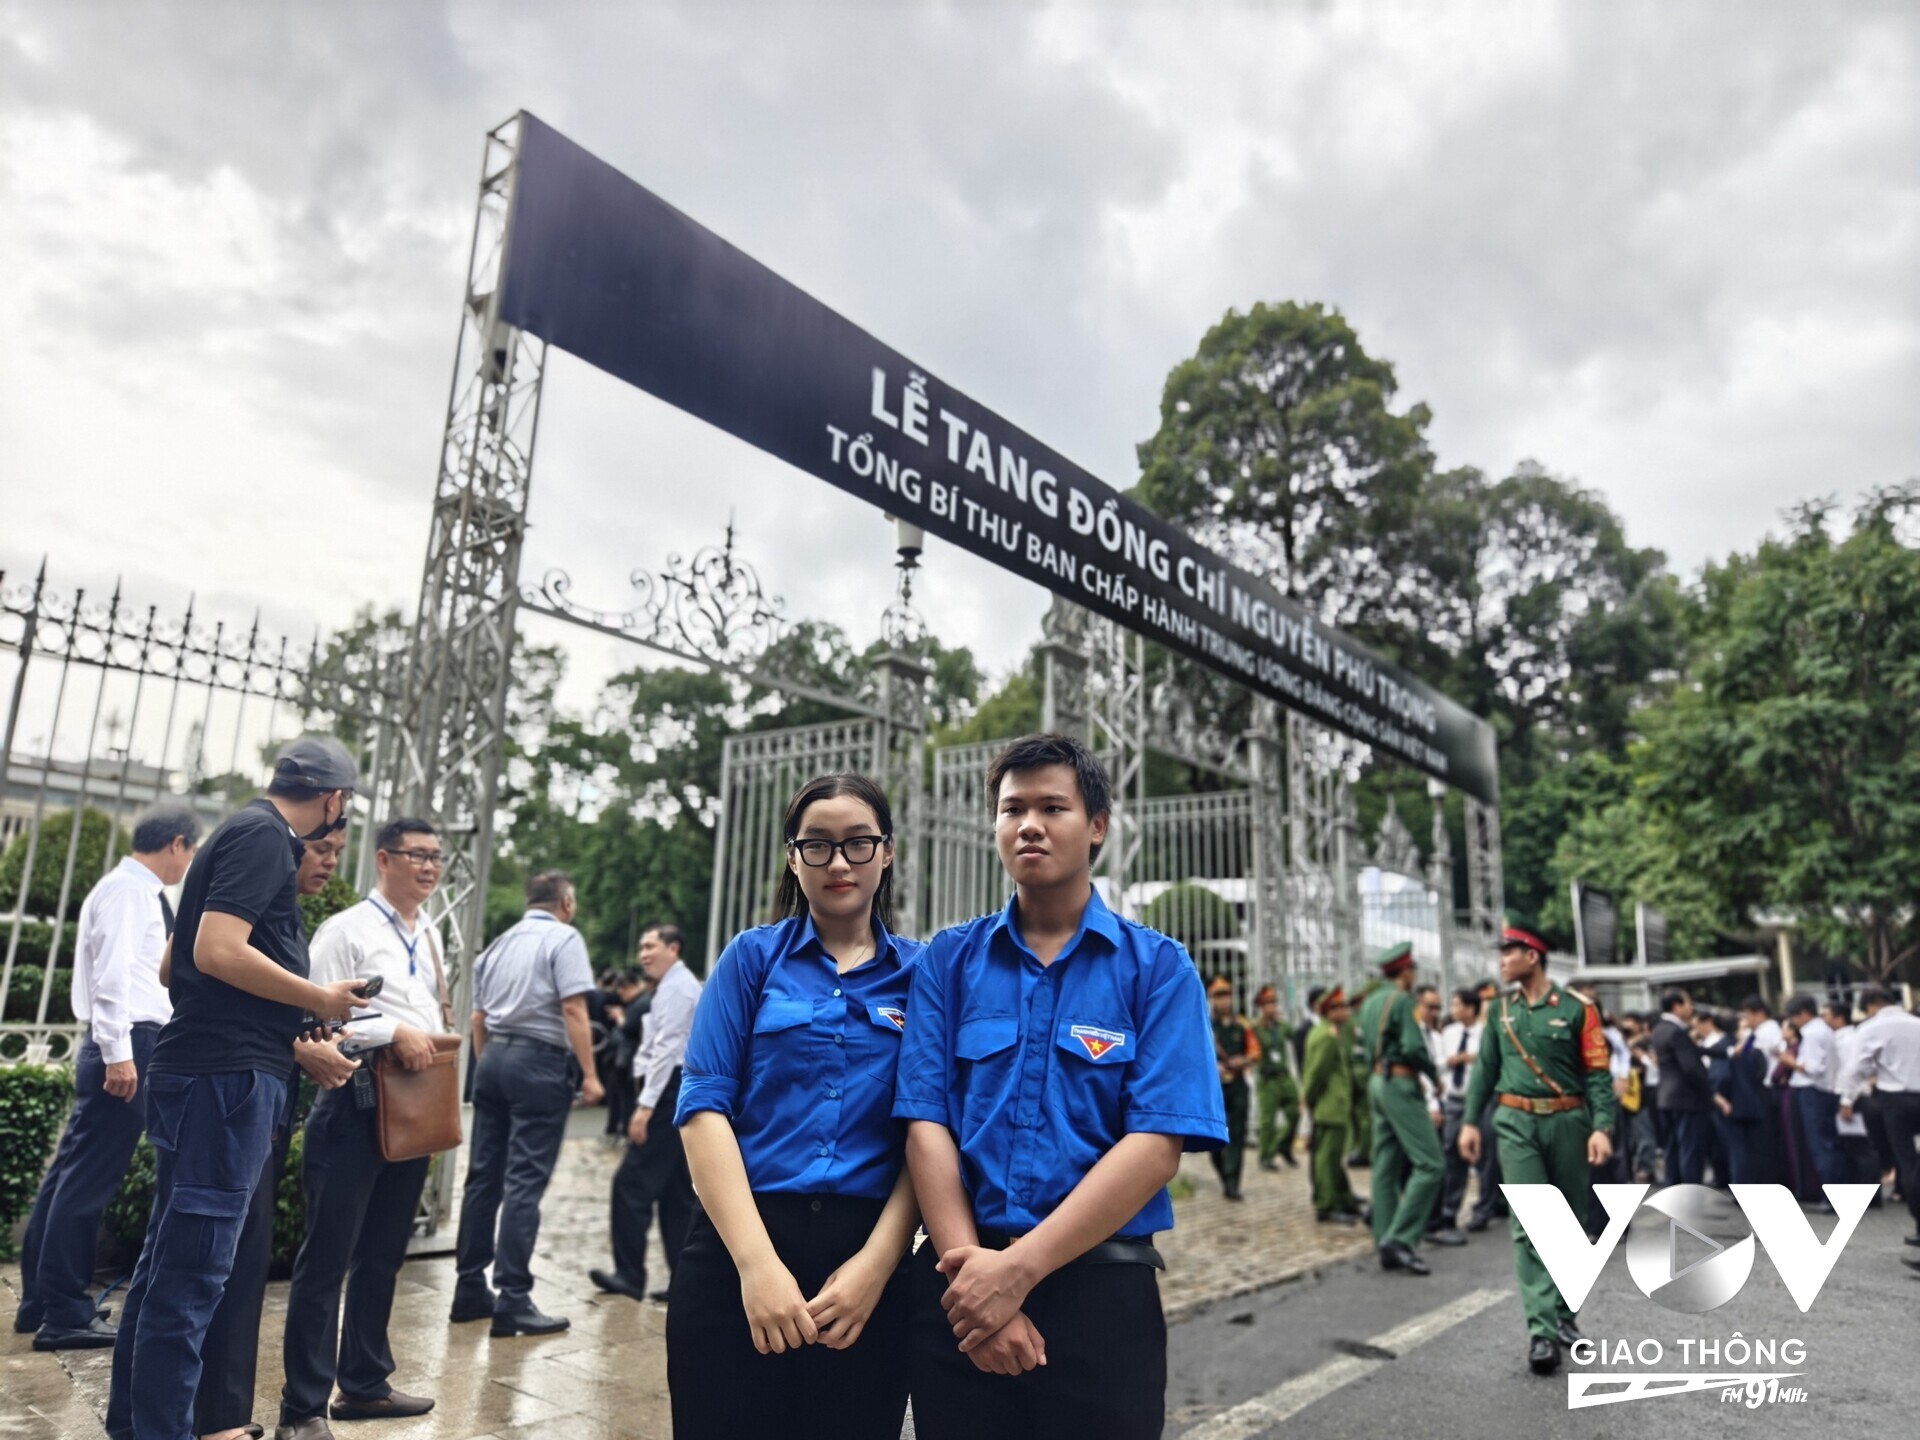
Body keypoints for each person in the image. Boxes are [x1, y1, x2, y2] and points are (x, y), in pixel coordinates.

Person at [895, 734, 1225, 1440]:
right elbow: (925, 1124)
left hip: (1101, 1294)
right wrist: (974, 1290)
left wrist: (1016, 1274)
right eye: (1012, 809)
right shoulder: (947, 962)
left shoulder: (1158, 971)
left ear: (1098, 825)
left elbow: (1157, 1145)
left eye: (1053, 806)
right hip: (960, 1285)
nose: (1030, 824)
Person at [105, 738, 367, 1440]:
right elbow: (214, 951)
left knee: (168, 1265)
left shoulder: (238, 832)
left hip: (206, 1069)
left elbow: (172, 964)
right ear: (334, 800)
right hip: (225, 1080)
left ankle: (135, 1424)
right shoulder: (266, 838)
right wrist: (319, 997)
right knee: (191, 1279)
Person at [665, 774, 921, 1439]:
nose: (838, 862)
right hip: (738, 1249)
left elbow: (932, 1130)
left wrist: (878, 1264)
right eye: (818, 845)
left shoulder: (925, 977)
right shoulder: (750, 960)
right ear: (792, 857)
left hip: (865, 1269)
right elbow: (703, 1108)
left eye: (858, 843)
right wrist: (757, 1267)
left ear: (887, 853)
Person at [276, 818, 454, 1438]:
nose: (430, 867)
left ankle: (365, 1383)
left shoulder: (428, 932)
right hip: (352, 1104)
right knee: (328, 1260)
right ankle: (301, 1408)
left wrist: (419, 1034)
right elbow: (314, 1015)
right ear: (384, 859)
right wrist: (392, 1030)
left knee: (382, 1256)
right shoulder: (345, 929)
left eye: (437, 857)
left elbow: (428, 1014)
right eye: (418, 856)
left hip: (412, 1106)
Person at [15, 805, 199, 1350]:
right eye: (190, 853)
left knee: (71, 1176)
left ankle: (43, 1302)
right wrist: (120, 1053)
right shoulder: (128, 892)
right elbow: (113, 974)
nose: (188, 863)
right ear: (177, 845)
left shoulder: (125, 888)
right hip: (126, 1043)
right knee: (87, 1180)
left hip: (122, 1041)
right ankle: (65, 1312)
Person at [1459, 912, 1615, 1376]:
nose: (1502, 960)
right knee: (1530, 1224)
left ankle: (1565, 1316)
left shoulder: (1578, 1009)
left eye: (1510, 952)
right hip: (1514, 1123)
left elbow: (1598, 1076)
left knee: (1568, 1222)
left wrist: (1602, 1126)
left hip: (1568, 1121)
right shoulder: (1499, 1011)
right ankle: (1541, 1331)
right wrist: (1470, 1122)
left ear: (1533, 957)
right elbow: (1484, 1070)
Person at [451, 870, 604, 1336]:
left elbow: (477, 1017)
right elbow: (574, 1009)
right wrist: (591, 1075)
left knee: (483, 1178)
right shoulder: (564, 938)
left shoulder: (498, 944)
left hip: (493, 1056)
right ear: (567, 902)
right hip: (539, 1063)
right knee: (524, 1181)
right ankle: (513, 1297)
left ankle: (469, 1287)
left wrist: (490, 1065)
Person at [593, 923, 701, 1304]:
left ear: (674, 948)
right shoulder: (672, 987)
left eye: (650, 946)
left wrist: (644, 1107)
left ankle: (629, 1274)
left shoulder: (677, 988)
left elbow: (667, 1050)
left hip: (669, 1090)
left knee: (630, 1185)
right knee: (676, 1196)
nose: (643, 954)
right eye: (641, 947)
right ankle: (685, 1283)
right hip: (672, 1089)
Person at [1356, 943, 1460, 1273]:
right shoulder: (1402, 1000)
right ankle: (1400, 1239)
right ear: (1405, 972)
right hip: (1400, 1083)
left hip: (1377, 1082)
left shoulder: (1371, 1001)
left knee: (1385, 1165)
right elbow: (1414, 1047)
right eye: (1412, 971)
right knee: (1431, 1163)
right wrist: (1433, 1076)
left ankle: (1384, 1237)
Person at [1839, 986, 1920, 1257]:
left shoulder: (1871, 1029)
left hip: (1895, 1100)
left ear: (1871, 1005)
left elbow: (1856, 1069)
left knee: (1907, 1161)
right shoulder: (1916, 1023)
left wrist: (1847, 1099)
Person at [1302, 986, 1363, 1225]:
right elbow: (1317, 1073)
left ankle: (1340, 1199)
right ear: (1331, 1011)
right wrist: (1309, 1098)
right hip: (1330, 1106)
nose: (1347, 1011)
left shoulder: (1325, 1031)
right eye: (1341, 1007)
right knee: (1327, 1159)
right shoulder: (1327, 1036)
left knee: (1330, 1157)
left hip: (1329, 1106)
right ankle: (1326, 1206)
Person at [1776, 993, 1841, 1208]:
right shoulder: (1822, 1030)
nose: (1793, 1022)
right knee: (1826, 1143)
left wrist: (1789, 1062)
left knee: (1821, 1145)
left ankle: (1830, 1197)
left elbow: (1813, 1068)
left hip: (1814, 1091)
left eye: (1794, 1017)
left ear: (1804, 1013)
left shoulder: (1812, 1034)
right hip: (1823, 1090)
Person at [1434, 987, 1489, 1236]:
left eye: (1457, 1005)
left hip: (1481, 1101)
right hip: (1454, 1100)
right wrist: (1452, 1060)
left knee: (1485, 1157)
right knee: (1453, 1154)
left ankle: (1483, 1210)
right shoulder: (1448, 1033)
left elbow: (1492, 1063)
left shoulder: (1487, 1034)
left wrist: (1473, 1058)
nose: (1453, 1009)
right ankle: (1449, 1211)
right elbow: (1438, 1062)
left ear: (1470, 1008)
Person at [1651, 987, 1711, 1185]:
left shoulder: (1659, 1029)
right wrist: (1709, 1090)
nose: (1691, 1007)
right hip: (1686, 1099)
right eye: (1688, 1003)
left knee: (1672, 1150)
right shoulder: (1677, 1032)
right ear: (1677, 1006)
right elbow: (1691, 1068)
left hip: (1666, 1098)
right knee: (1690, 1151)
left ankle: (1674, 1192)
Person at [1209, 975, 1258, 1201]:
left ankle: (1232, 1184)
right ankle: (1224, 1173)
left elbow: (1255, 1051)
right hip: (1215, 1087)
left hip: (1238, 1085)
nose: (1224, 1001)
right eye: (1219, 996)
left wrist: (1244, 1060)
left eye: (1227, 995)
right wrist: (1214, 1065)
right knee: (1213, 1138)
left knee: (1237, 1135)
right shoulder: (1207, 1026)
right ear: (1212, 999)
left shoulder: (1242, 1025)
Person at [1250, 985, 1300, 1171]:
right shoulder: (1255, 1029)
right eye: (1268, 1004)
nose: (1273, 1008)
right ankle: (1266, 1156)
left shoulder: (1282, 1026)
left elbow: (1297, 1037)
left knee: (1295, 1113)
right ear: (1261, 1007)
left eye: (1274, 1003)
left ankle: (1283, 1145)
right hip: (1267, 1079)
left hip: (1284, 1077)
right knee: (1268, 1121)